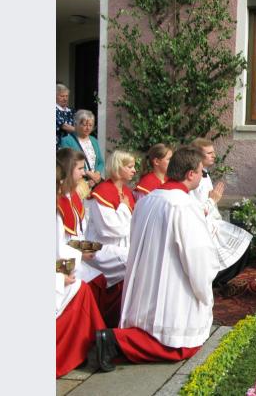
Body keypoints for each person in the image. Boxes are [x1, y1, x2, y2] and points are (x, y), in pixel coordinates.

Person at [88, 147, 226, 372]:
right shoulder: (184, 206)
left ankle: (119, 339)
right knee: (179, 346)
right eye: (201, 171)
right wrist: (204, 287)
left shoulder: (148, 199)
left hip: (146, 278)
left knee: (152, 330)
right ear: (190, 174)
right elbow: (196, 255)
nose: (203, 176)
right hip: (172, 283)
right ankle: (114, 341)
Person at [56, 163, 106, 378]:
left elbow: (74, 236)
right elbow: (59, 247)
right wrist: (62, 275)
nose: (83, 173)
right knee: (85, 287)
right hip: (65, 262)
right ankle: (98, 343)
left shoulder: (70, 199)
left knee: (98, 279)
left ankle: (99, 342)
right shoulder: (59, 205)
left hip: (71, 257)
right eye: (77, 168)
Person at [189, 138, 252, 288]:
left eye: (213, 152)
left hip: (213, 221)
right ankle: (213, 281)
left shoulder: (205, 174)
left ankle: (217, 280)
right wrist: (213, 200)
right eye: (209, 153)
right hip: (204, 225)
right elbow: (195, 209)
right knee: (239, 246)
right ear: (198, 156)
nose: (214, 155)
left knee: (244, 242)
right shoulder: (194, 180)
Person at [85, 150, 137, 327]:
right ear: (117, 167)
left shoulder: (127, 192)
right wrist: (123, 208)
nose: (134, 170)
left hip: (120, 246)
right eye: (129, 166)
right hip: (99, 248)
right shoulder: (102, 192)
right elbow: (110, 229)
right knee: (134, 261)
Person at [59, 109, 105, 189]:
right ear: (76, 124)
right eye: (84, 125)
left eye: (90, 125)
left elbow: (100, 162)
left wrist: (97, 174)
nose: (88, 128)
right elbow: (69, 163)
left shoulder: (94, 140)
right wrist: (89, 174)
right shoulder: (67, 141)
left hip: (94, 182)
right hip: (77, 183)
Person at [56, 83, 75, 148]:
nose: (65, 99)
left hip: (70, 146)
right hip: (58, 147)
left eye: (66, 96)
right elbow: (64, 126)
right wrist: (81, 131)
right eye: (62, 96)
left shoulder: (71, 111)